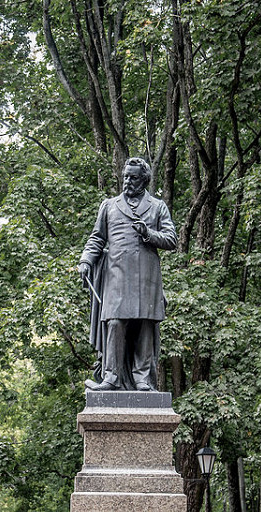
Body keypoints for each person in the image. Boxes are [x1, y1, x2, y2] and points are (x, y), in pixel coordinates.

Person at [79, 157, 177, 391]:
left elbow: (171, 239)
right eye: (125, 176)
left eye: (133, 177)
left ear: (144, 180)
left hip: (146, 277)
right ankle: (111, 377)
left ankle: (142, 379)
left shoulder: (157, 206)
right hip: (116, 276)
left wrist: (148, 233)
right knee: (115, 323)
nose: (127, 181)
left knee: (145, 324)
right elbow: (97, 238)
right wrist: (85, 260)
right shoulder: (109, 206)